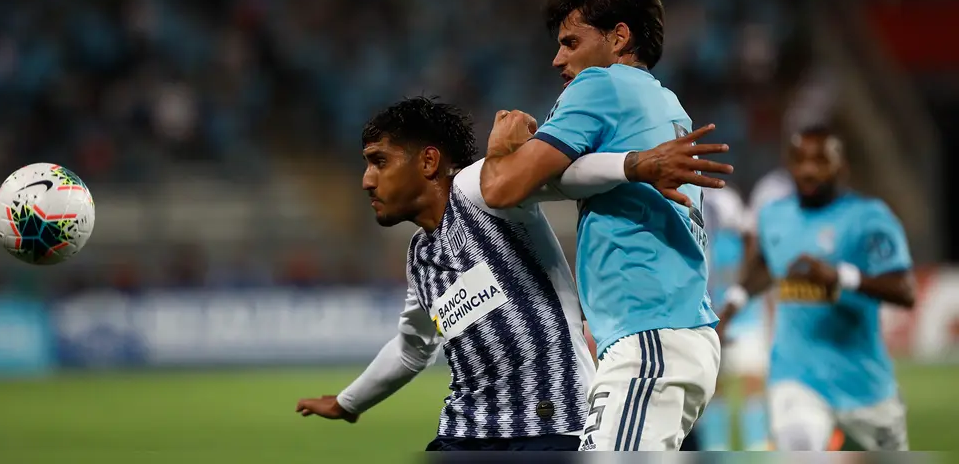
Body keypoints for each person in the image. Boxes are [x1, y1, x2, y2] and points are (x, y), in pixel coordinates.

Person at [297, 96, 731, 451]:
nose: (366, 181)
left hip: (551, 427)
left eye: (379, 162)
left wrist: (636, 165)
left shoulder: (477, 190)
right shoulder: (421, 256)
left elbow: (566, 177)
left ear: (428, 161)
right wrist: (347, 402)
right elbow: (412, 349)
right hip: (465, 435)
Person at [479, 0, 733, 451]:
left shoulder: (602, 85)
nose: (558, 60)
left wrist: (500, 148)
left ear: (618, 38)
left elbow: (501, 188)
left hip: (649, 339)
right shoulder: (666, 105)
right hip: (669, 335)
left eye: (571, 42)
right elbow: (577, 181)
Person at [715, 125, 916, 451]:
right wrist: (732, 306)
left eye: (820, 160)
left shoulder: (869, 218)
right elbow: (767, 264)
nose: (808, 169)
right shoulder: (774, 216)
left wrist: (841, 277)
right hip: (795, 378)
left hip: (864, 386)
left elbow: (905, 291)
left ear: (842, 166)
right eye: (800, 160)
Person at [697, 186, 771, 451]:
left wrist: (743, 290)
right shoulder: (684, 195)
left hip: (743, 313)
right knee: (714, 387)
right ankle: (716, 448)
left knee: (752, 379)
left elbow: (750, 238)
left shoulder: (724, 200)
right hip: (708, 315)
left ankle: (758, 447)